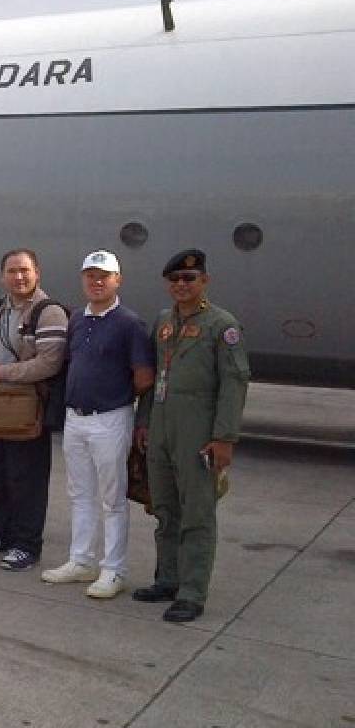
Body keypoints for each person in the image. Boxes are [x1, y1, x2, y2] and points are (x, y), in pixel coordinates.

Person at [132, 249, 250, 623]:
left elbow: (235, 382)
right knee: (165, 509)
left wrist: (225, 437)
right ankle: (167, 579)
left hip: (199, 432)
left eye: (190, 279)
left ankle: (192, 592)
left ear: (205, 282)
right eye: (175, 280)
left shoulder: (221, 325)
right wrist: (144, 421)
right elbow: (152, 379)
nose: (181, 285)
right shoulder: (164, 322)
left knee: (197, 513)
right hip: (163, 429)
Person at [41, 251, 154, 597]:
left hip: (110, 419)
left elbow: (144, 376)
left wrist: (112, 396)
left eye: (104, 276)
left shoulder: (129, 324)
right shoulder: (77, 319)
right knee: (80, 493)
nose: (97, 282)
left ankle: (113, 569)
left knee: (112, 497)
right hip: (76, 419)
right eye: (90, 275)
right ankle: (82, 560)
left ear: (117, 280)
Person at [0, 249, 69, 571]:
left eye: (25, 270)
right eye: (12, 271)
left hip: (28, 408)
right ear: (2, 276)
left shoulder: (49, 312)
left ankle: (27, 544)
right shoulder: (1, 309)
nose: (19, 277)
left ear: (37, 273)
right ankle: (2, 533)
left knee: (26, 479)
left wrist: (1, 374)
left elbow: (49, 363)